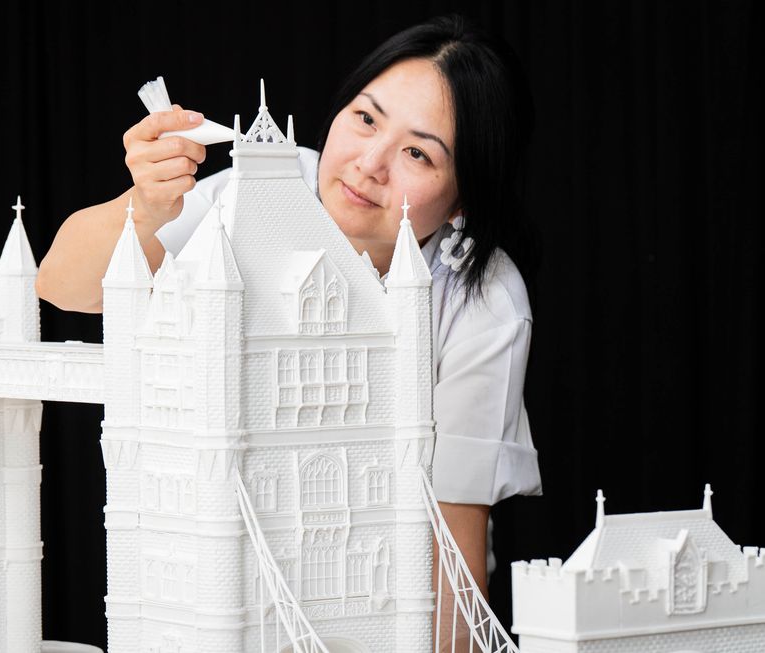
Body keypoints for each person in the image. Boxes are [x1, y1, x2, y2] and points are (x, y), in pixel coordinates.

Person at [37, 12, 540, 620]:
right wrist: (146, 207)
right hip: (209, 582)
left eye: (417, 152)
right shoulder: (264, 187)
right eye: (364, 119)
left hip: (382, 601)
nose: (368, 164)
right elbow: (63, 285)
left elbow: (452, 547)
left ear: (464, 197)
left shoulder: (480, 298)